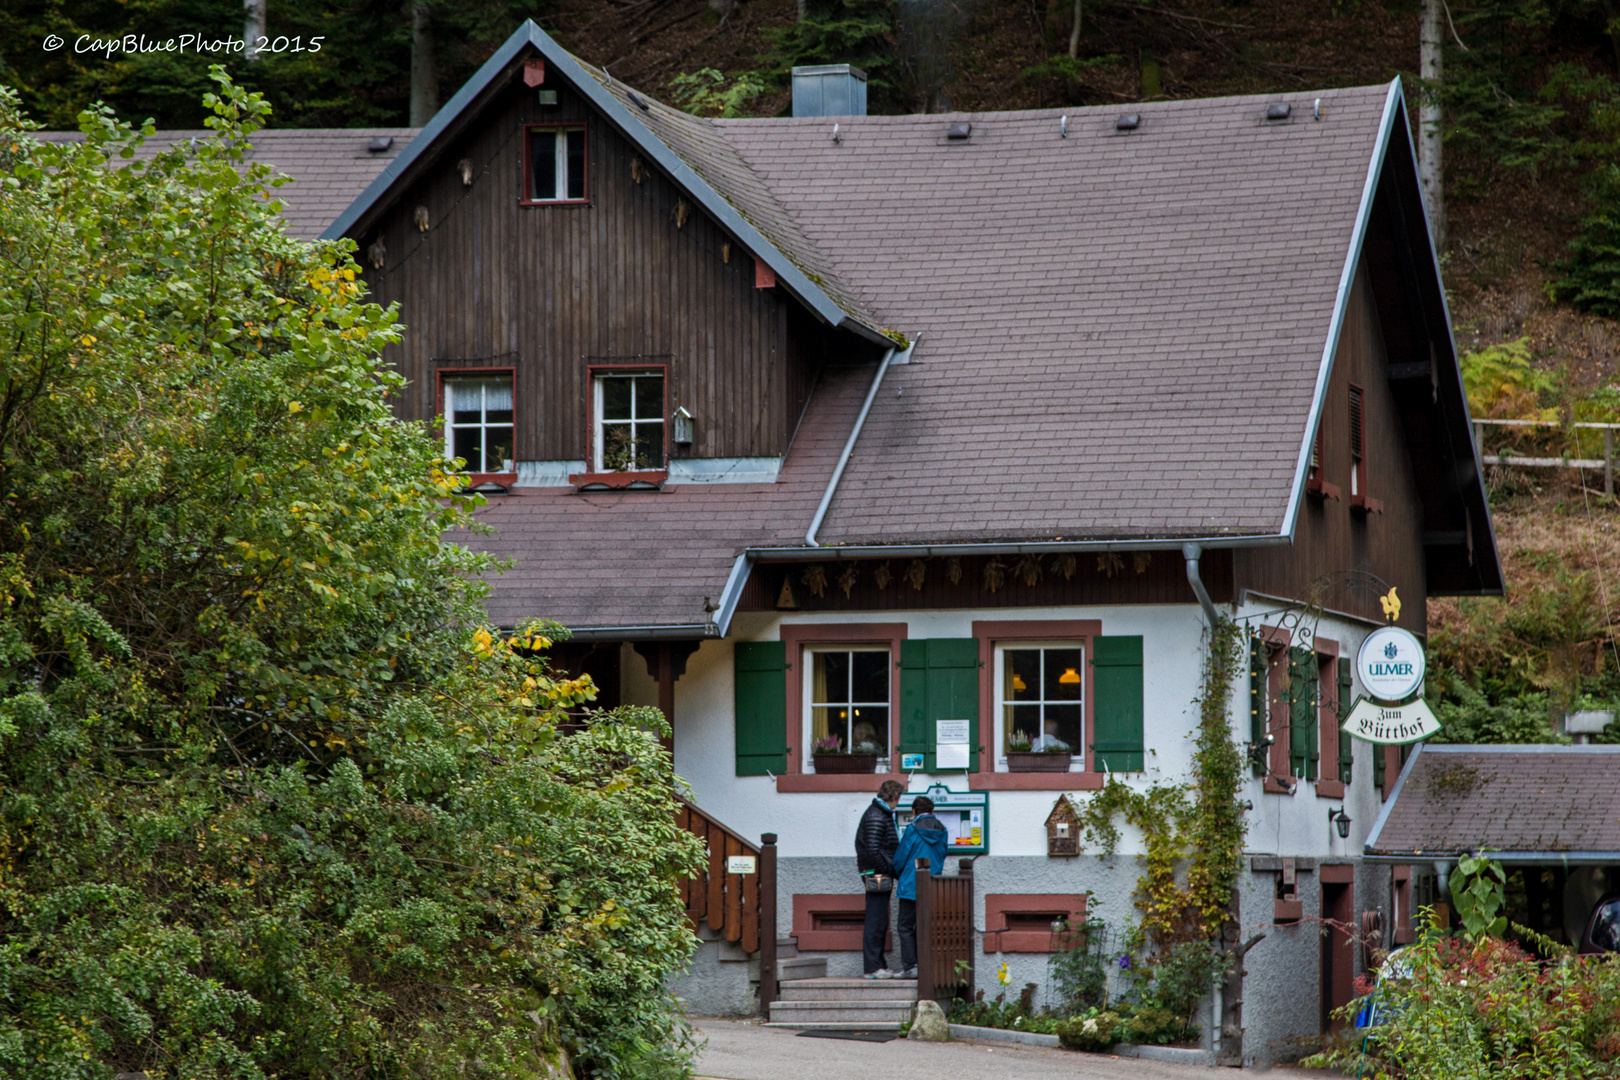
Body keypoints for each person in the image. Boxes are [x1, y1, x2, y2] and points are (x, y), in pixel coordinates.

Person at [891, 795, 950, 980]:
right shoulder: (943, 830)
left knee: (905, 926)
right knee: (924, 925)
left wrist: (897, 873)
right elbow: (943, 854)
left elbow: (900, 858)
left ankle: (910, 966)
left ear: (914, 811)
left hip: (911, 883)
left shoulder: (912, 829)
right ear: (932, 811)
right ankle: (924, 964)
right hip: (931, 884)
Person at [856, 779, 905, 978]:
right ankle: (873, 968)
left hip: (876, 872)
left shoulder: (878, 813)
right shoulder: (877, 816)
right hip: (876, 874)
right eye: (899, 797)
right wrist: (890, 870)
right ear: (893, 796)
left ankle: (879, 965)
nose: (899, 802)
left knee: (880, 919)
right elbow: (874, 850)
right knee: (876, 920)